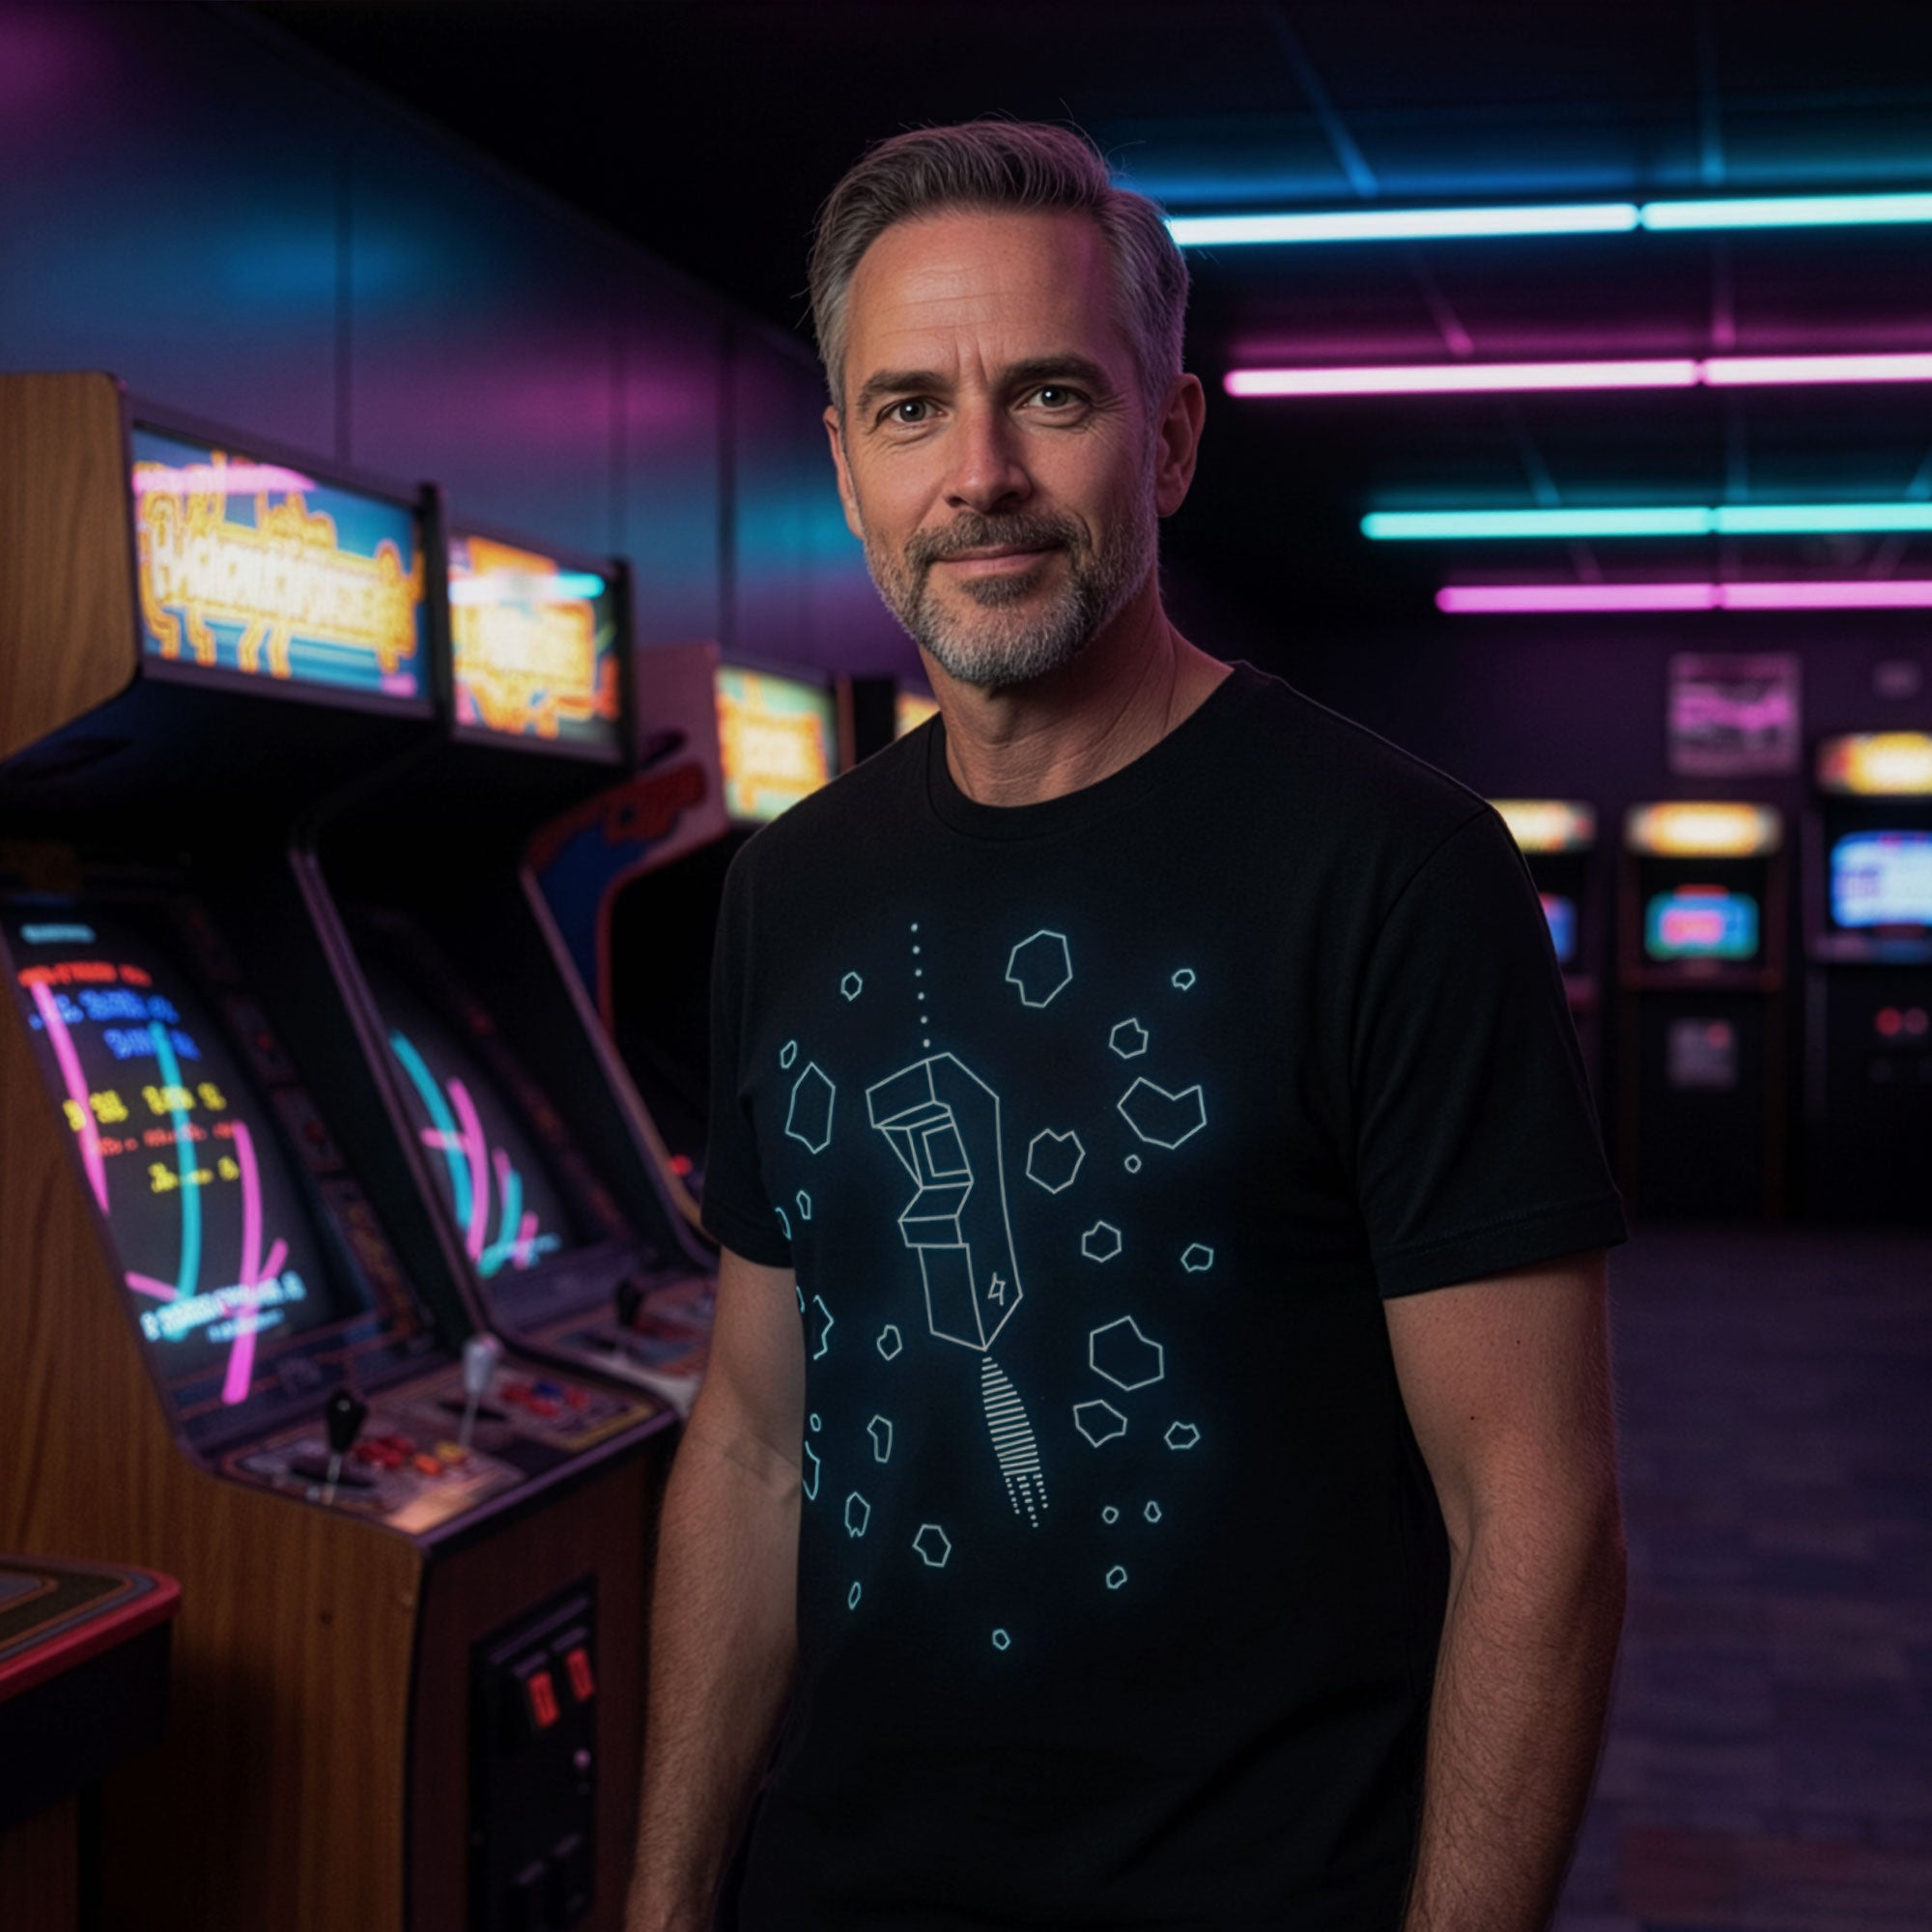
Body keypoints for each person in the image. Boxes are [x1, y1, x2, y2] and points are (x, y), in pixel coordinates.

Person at [627, 121, 1627, 1932]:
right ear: (847, 465)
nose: (981, 474)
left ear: (1165, 440)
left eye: (1055, 396)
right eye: (913, 407)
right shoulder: (789, 887)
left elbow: (1534, 1517)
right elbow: (759, 1439)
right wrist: (666, 1898)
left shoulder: (1397, 868)